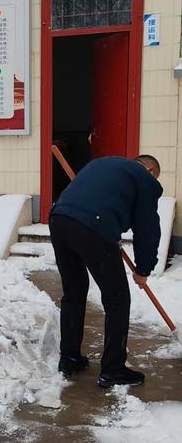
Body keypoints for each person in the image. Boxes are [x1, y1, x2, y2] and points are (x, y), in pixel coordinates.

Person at [49, 155, 163, 387]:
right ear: (150, 169)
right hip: (93, 225)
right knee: (118, 299)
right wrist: (144, 268)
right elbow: (147, 227)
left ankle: (70, 359)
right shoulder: (145, 178)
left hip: (59, 219)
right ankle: (113, 369)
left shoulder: (102, 163)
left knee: (74, 293)